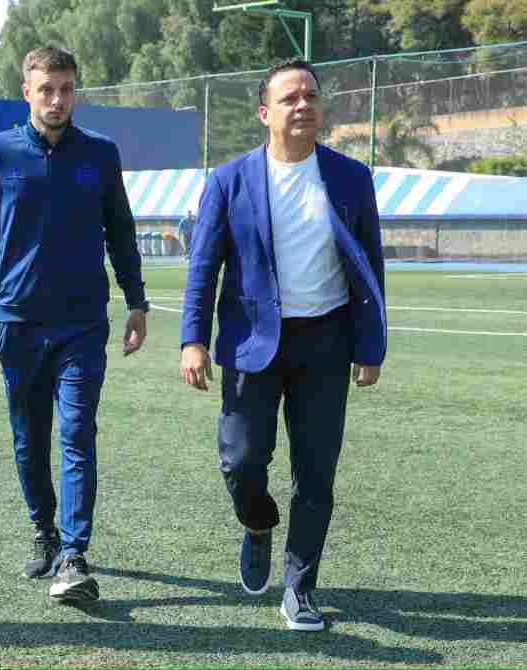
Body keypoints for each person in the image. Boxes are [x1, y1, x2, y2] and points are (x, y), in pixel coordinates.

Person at [180, 58, 386, 631]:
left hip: (326, 341)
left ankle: (299, 589)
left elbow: (370, 267)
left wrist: (370, 346)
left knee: (316, 474)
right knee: (242, 460)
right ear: (265, 112)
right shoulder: (229, 181)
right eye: (291, 98)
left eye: (312, 97)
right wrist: (192, 339)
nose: (303, 106)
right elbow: (203, 268)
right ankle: (256, 522)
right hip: (252, 344)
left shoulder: (351, 178)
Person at [0, 45, 149, 603]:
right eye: (46, 90)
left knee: (75, 432)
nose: (57, 100)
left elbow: (121, 232)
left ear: (76, 91)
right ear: (27, 92)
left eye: (66, 89)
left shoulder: (100, 154)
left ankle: (74, 552)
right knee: (29, 438)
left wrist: (136, 301)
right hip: (18, 323)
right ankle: (44, 533)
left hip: (83, 325)